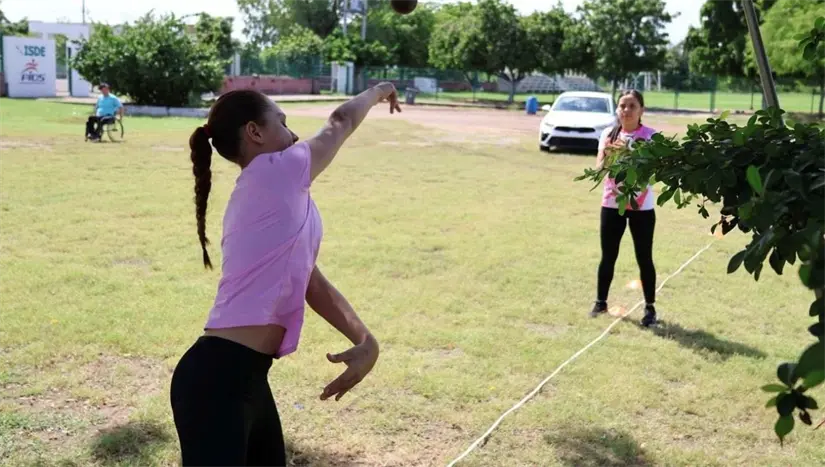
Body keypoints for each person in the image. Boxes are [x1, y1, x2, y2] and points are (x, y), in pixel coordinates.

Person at [170, 82, 402, 466]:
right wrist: (379, 91)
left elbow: (309, 279)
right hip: (216, 381)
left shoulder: (270, 193)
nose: (293, 134)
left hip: (246, 379)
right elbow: (340, 121)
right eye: (282, 121)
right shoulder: (275, 172)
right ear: (255, 132)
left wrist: (365, 340)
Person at [590, 89, 659, 327]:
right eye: (622, 106)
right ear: (617, 109)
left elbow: (652, 173)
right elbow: (599, 168)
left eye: (632, 106)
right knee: (608, 255)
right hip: (612, 203)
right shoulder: (609, 134)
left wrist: (633, 155)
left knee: (644, 257)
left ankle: (650, 308)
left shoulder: (651, 136)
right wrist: (612, 153)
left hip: (641, 206)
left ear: (641, 110)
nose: (626, 110)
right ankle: (600, 302)